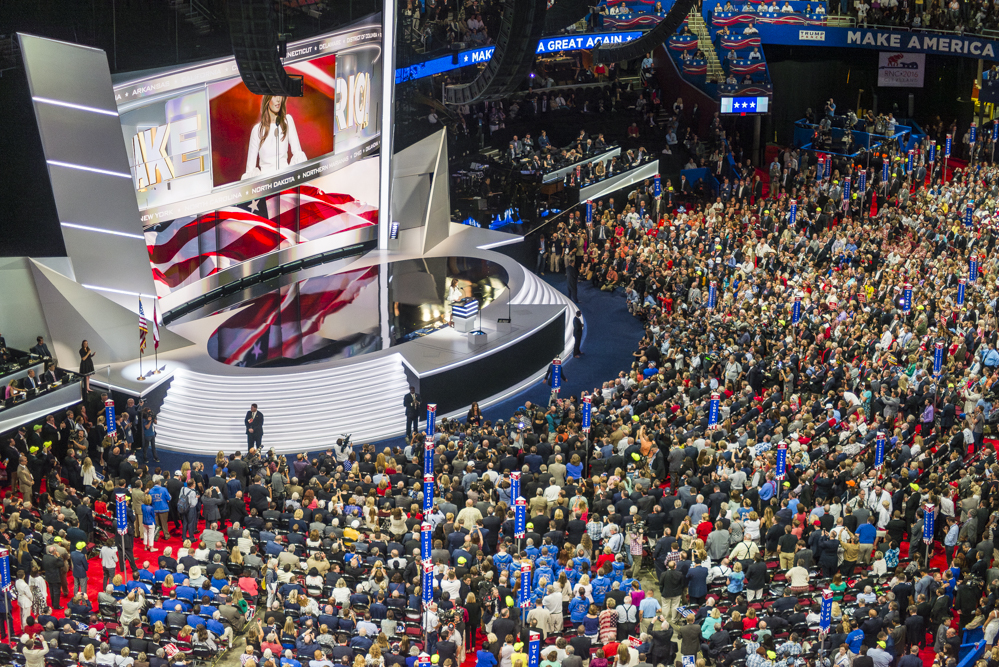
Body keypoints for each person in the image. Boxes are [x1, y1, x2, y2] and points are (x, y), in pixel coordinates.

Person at [242, 96, 306, 180]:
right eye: (275, 96)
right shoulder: (257, 130)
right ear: (268, 99)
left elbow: (298, 153)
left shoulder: (288, 121)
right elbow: (250, 169)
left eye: (280, 95)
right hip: (266, 184)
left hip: (286, 180)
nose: (279, 99)